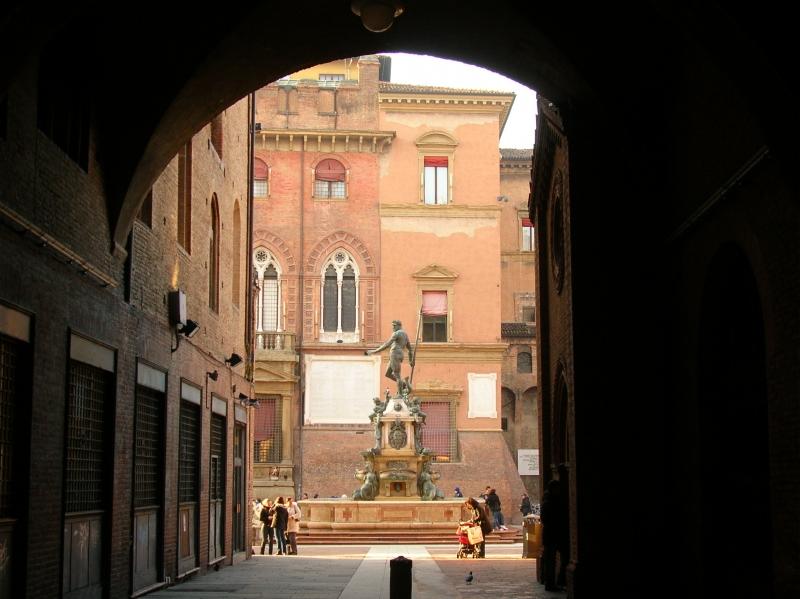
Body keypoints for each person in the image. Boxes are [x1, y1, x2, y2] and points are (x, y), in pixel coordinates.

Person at [365, 319, 415, 396]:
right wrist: (411, 360)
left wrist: (374, 351)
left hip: (395, 353)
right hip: (399, 354)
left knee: (397, 375)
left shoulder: (396, 333)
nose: (393, 328)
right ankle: (405, 384)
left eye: (394, 326)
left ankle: (400, 395)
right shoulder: (405, 335)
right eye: (392, 326)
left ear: (399, 326)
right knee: (388, 374)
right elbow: (410, 349)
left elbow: (387, 344)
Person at [540, 479, 568, 591]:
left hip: (551, 534)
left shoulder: (547, 500)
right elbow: (546, 518)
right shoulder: (550, 502)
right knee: (551, 560)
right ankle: (552, 583)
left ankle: (554, 582)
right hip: (553, 534)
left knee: (552, 559)